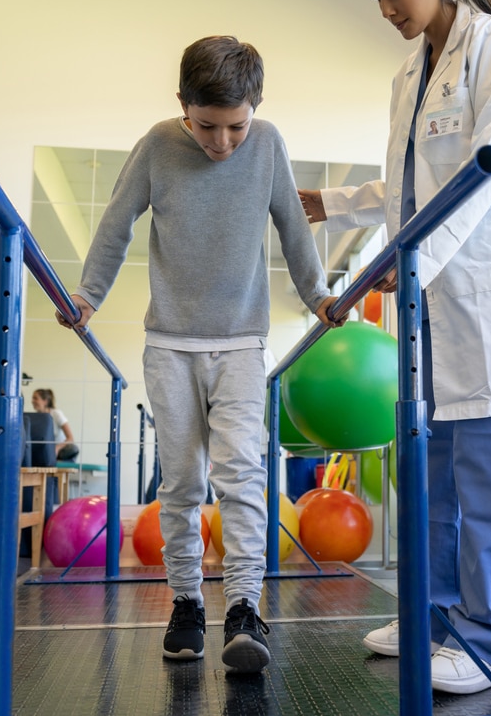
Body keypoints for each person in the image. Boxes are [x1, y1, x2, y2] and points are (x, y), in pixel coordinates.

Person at [299, 0, 491, 696]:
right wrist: (336, 205)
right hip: (435, 300)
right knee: (434, 477)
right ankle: (438, 619)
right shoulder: (410, 73)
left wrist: (411, 265)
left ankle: (490, 640)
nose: (385, 8)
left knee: (483, 483)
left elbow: (487, 164)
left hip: (488, 293)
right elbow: (410, 182)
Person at [58, 35, 341, 674]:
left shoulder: (266, 145)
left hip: (241, 341)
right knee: (182, 482)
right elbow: (116, 222)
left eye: (235, 126)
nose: (221, 142)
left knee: (241, 474)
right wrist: (88, 297)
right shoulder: (159, 145)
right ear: (183, 104)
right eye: (207, 125)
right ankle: (187, 601)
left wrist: (319, 296)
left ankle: (244, 606)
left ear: (255, 108)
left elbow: (294, 229)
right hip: (171, 345)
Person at [30, 388, 75, 457]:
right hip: (46, 451)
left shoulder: (56, 414)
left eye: (35, 398)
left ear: (45, 401)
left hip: (61, 452)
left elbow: (70, 438)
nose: (32, 401)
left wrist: (57, 448)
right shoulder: (36, 417)